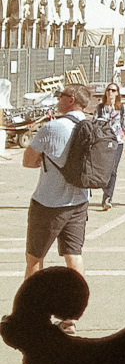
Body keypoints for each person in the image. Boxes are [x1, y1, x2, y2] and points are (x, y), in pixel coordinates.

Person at [22, 82, 95, 331]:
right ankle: (72, 316)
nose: (57, 99)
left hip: (49, 202)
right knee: (74, 255)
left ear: (71, 100)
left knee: (34, 258)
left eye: (61, 96)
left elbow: (28, 161)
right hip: (80, 201)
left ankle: (30, 313)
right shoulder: (92, 126)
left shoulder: (51, 127)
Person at [96, 81, 125, 210]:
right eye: (108, 90)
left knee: (113, 170)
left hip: (117, 142)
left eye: (113, 90)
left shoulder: (121, 108)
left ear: (117, 93)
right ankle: (105, 191)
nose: (110, 92)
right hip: (102, 143)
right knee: (104, 170)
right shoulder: (100, 108)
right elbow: (94, 125)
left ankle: (107, 197)